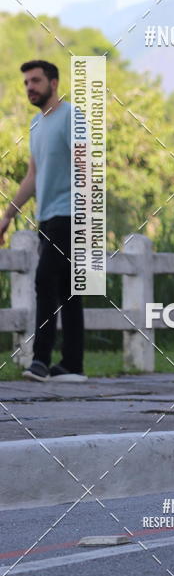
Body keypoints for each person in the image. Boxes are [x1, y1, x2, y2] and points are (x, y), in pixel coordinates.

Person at [0, 60, 87, 382]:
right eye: (25, 83)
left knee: (44, 282)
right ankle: (73, 365)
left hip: (70, 215)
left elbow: (86, 166)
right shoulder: (37, 125)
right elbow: (32, 177)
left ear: (53, 83)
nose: (30, 87)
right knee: (67, 290)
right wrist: (7, 216)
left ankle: (40, 360)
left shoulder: (72, 116)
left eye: (35, 81)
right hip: (47, 217)